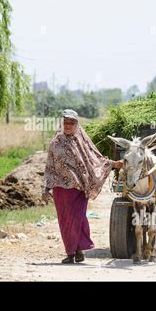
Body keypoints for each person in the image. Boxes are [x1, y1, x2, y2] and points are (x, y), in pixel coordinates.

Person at [43, 109, 123, 264]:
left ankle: (78, 250)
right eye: (65, 122)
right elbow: (49, 166)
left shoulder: (82, 142)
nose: (68, 126)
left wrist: (113, 164)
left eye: (71, 123)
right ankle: (72, 253)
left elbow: (95, 160)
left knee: (78, 219)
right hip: (60, 189)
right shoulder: (55, 143)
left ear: (76, 124)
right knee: (66, 220)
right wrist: (46, 188)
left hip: (78, 188)